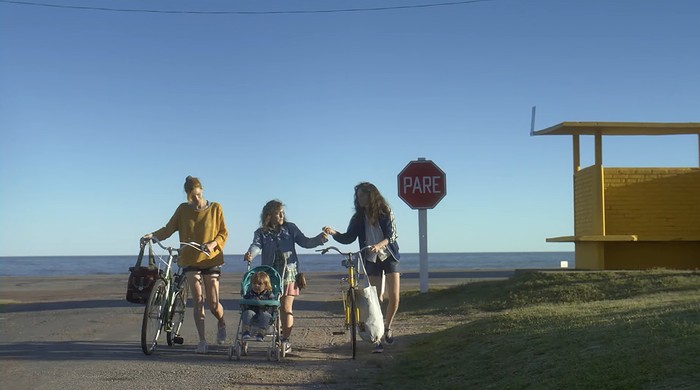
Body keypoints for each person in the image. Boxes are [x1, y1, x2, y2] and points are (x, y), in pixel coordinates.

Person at [143, 175, 228, 354]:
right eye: (192, 196)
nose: (196, 199)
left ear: (202, 190)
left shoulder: (215, 208)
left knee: (213, 304)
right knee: (198, 300)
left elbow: (223, 233)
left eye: (197, 194)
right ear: (187, 195)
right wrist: (152, 235)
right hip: (190, 259)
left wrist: (213, 244)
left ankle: (221, 322)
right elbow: (168, 229)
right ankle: (202, 341)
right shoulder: (182, 210)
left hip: (211, 258)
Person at [323, 182, 400, 354]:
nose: (359, 200)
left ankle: (388, 327)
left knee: (394, 296)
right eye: (357, 197)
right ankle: (377, 337)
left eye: (362, 196)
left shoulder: (385, 211)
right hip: (370, 257)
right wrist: (334, 233)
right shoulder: (358, 217)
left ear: (370, 195)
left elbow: (392, 235)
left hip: (388, 255)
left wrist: (379, 245)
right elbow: (348, 238)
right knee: (374, 298)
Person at [244, 200, 328, 354]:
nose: (282, 215)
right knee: (270, 306)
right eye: (278, 213)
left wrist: (320, 239)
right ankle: (273, 335)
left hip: (289, 273)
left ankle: (285, 340)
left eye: (282, 212)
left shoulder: (290, 228)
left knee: (285, 307)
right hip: (270, 276)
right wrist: (251, 254)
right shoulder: (261, 232)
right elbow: (256, 245)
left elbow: (305, 242)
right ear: (269, 215)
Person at [240, 271, 275, 342]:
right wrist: (250, 301)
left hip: (264, 315)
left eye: (259, 284)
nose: (256, 286)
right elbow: (244, 304)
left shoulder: (269, 295)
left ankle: (261, 332)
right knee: (248, 312)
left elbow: (273, 306)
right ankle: (246, 330)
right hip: (252, 316)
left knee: (266, 315)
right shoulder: (249, 294)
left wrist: (263, 304)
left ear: (266, 285)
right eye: (254, 283)